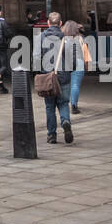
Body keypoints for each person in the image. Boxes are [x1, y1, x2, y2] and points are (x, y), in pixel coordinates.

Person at [40, 12, 74, 145]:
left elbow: (36, 57)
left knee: (49, 107)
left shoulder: (41, 37)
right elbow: (72, 58)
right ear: (60, 24)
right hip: (64, 76)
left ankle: (51, 135)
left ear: (48, 23)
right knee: (63, 102)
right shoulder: (66, 39)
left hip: (48, 76)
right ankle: (65, 121)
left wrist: (42, 71)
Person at [62, 20, 91, 113]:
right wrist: (87, 66)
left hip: (66, 63)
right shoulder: (81, 38)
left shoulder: (62, 39)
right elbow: (86, 54)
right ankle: (74, 105)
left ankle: (64, 104)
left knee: (66, 85)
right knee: (75, 85)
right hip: (78, 63)